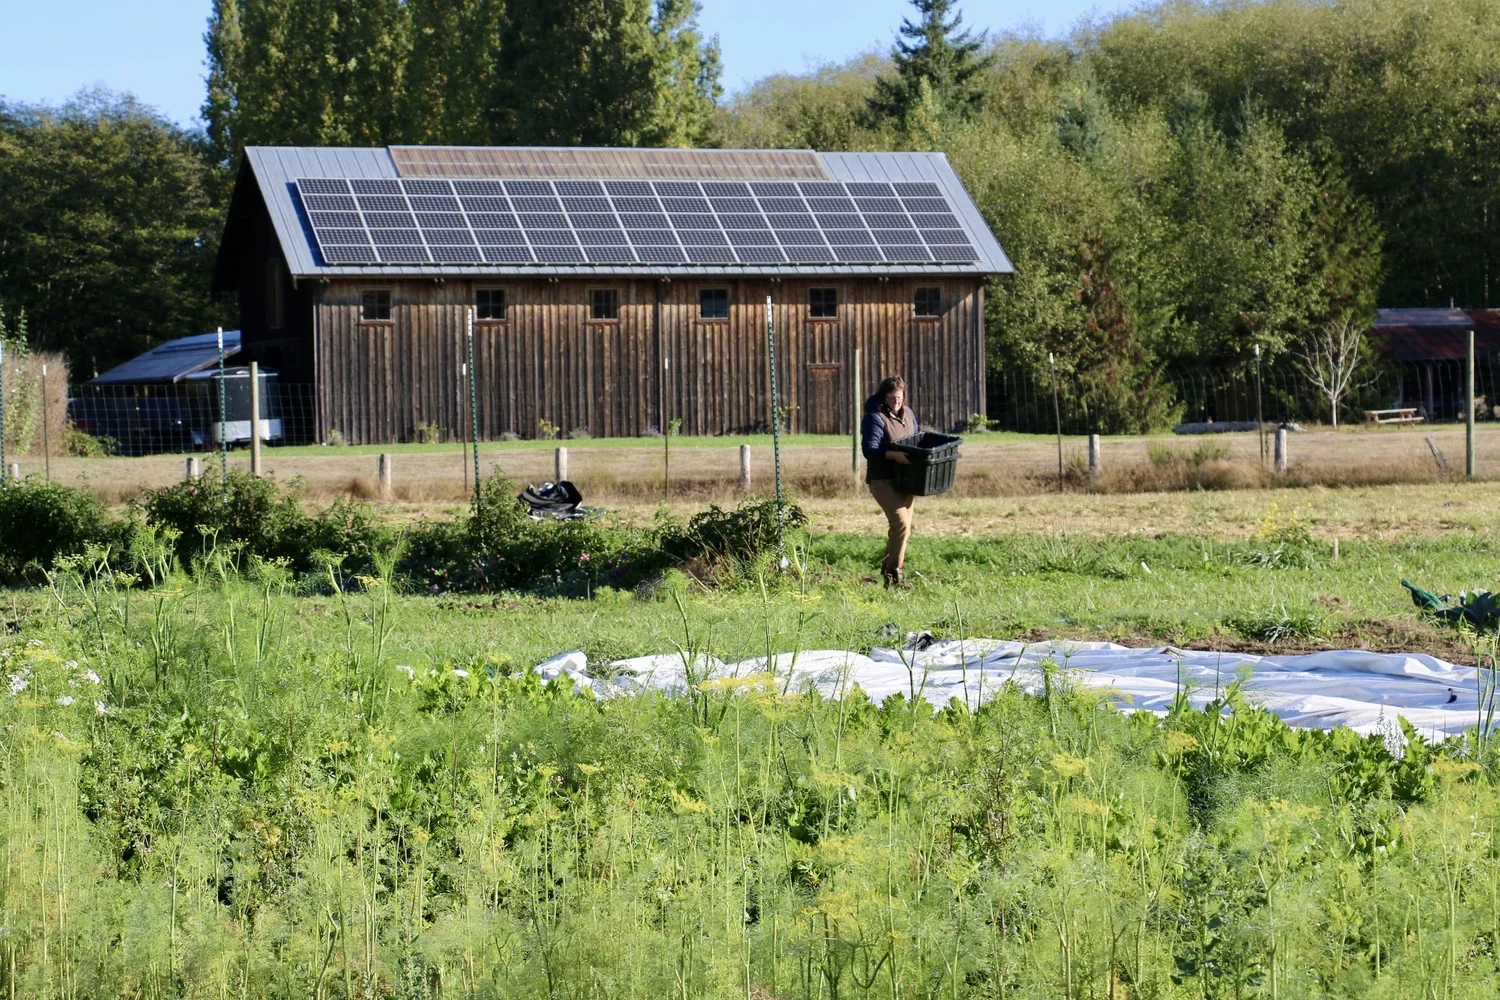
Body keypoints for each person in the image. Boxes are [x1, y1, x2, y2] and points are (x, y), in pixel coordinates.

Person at [861, 376, 919, 587]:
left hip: (907, 479)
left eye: (899, 397)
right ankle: (893, 577)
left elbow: (917, 437)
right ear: (883, 397)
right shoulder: (875, 418)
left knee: (905, 528)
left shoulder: (909, 414)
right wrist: (893, 455)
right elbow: (870, 449)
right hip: (882, 480)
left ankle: (891, 573)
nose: (896, 402)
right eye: (892, 398)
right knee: (901, 525)